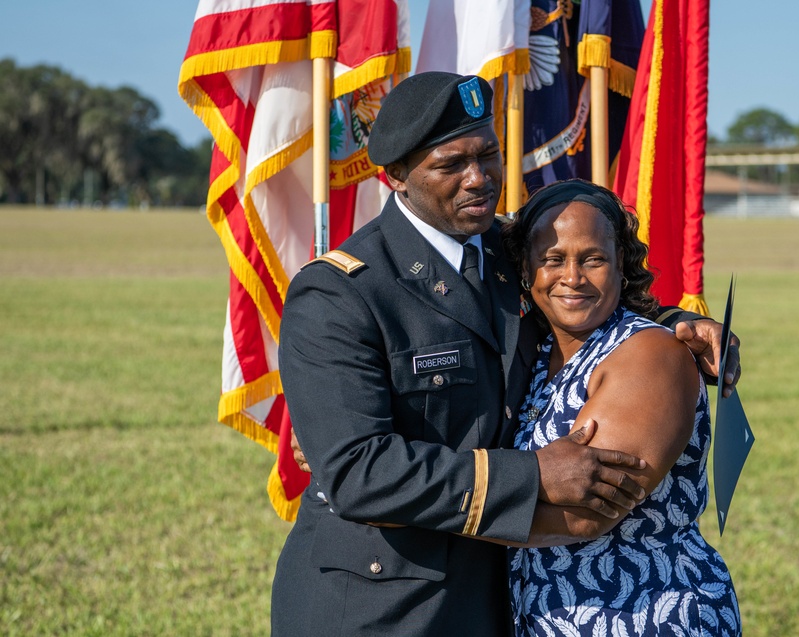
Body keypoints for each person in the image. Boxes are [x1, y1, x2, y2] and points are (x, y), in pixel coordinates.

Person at [272, 72, 739, 636]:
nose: (480, 179)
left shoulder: (511, 250)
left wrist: (675, 323)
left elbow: (584, 293)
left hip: (502, 596)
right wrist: (531, 475)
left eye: (489, 155)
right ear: (394, 175)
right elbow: (357, 472)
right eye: (451, 165)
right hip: (381, 603)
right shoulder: (343, 292)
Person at [501, 180, 741, 635]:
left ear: (621, 268)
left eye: (593, 259)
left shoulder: (652, 356)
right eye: (552, 260)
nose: (572, 278)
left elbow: (589, 512)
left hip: (648, 611)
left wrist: (432, 511)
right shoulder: (533, 351)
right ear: (526, 270)